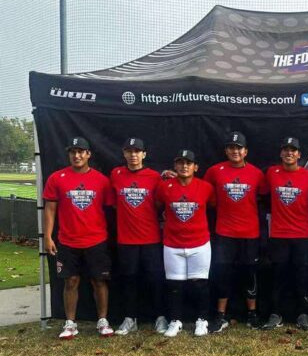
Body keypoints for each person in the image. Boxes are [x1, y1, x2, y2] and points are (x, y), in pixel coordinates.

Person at [43, 136, 115, 339]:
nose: (77, 155)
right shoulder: (56, 178)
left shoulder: (101, 180)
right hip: (67, 240)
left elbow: (111, 209)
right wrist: (47, 236)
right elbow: (50, 209)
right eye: (73, 152)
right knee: (71, 281)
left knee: (99, 281)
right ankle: (70, 323)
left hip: (96, 240)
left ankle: (103, 320)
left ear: (88, 154)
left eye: (81, 152)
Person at [204, 133, 269, 332]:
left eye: (239, 148)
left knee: (249, 274)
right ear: (226, 151)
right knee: (223, 273)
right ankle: (220, 315)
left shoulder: (256, 173)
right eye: (231, 147)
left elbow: (264, 198)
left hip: (250, 233)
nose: (235, 151)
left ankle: (252, 314)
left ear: (245, 151)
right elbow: (203, 193)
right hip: (224, 233)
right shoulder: (215, 171)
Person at [262, 137, 308, 330]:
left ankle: (303, 314)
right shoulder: (271, 173)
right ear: (281, 153)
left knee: (301, 276)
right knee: (277, 277)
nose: (289, 153)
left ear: (299, 155)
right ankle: (276, 314)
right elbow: (262, 192)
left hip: (302, 235)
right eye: (286, 150)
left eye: (293, 150)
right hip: (278, 235)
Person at [110, 138, 168, 335]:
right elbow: (114, 203)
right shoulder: (116, 174)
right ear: (124, 153)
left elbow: (161, 204)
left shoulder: (154, 177)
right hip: (126, 239)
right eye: (129, 151)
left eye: (137, 151)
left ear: (144, 154)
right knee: (129, 279)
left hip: (151, 238)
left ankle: (160, 317)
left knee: (155, 279)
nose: (133, 155)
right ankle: (130, 318)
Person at [155, 150, 215, 337]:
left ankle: (202, 320)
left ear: (196, 167)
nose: (184, 166)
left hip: (199, 243)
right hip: (172, 243)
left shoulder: (206, 187)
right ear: (175, 166)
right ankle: (175, 321)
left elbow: (213, 206)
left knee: (200, 284)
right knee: (175, 285)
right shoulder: (164, 187)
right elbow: (158, 206)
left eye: (188, 163)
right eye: (180, 163)